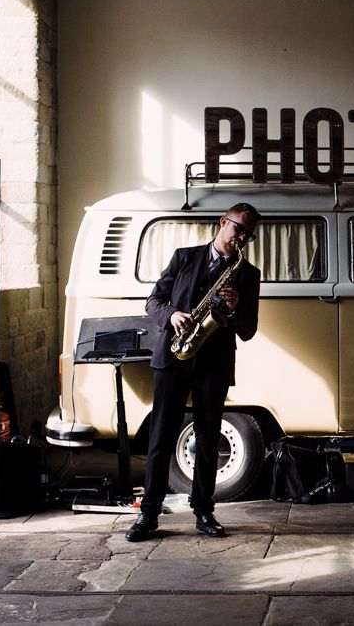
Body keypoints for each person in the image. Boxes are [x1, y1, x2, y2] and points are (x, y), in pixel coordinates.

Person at [125, 203, 261, 542]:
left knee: (207, 440)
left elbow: (248, 330)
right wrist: (172, 315)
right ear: (222, 222)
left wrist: (232, 308)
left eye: (248, 234)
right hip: (174, 358)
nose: (241, 237)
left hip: (213, 364)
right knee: (160, 440)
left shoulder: (247, 274)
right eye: (238, 228)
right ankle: (148, 515)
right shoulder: (183, 257)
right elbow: (153, 301)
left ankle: (203, 510)